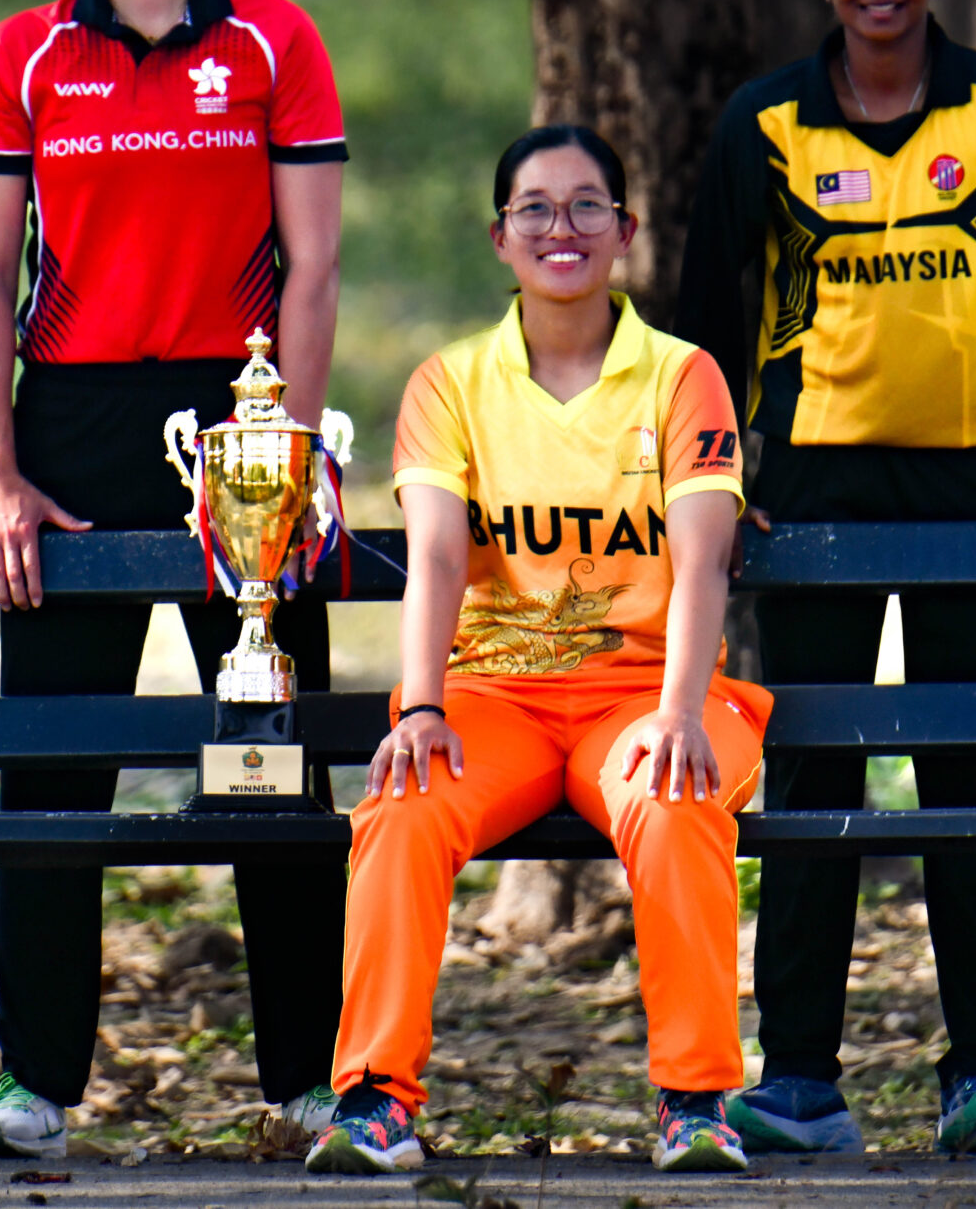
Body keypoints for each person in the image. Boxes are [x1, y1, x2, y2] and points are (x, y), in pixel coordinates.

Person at [0, 0, 350, 1158]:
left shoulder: (276, 43)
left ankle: (311, 1075)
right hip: (70, 420)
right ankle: (35, 1084)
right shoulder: (23, 58)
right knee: (55, 769)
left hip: (235, 425)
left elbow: (312, 267)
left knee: (270, 753)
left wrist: (286, 450)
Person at [673, 0, 976, 1156]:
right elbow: (702, 324)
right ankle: (800, 1077)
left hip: (973, 495)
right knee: (812, 777)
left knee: (973, 777)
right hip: (809, 491)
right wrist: (715, 487)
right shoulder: (762, 124)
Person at [303, 125, 772, 1178]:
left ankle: (695, 1103)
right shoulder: (449, 383)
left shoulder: (682, 376)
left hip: (646, 695)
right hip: (495, 699)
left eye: (585, 207)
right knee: (401, 806)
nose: (561, 228)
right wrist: (418, 709)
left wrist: (682, 714)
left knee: (672, 795)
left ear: (624, 233)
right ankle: (373, 1101)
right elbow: (432, 557)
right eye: (535, 209)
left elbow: (703, 564)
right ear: (499, 236)